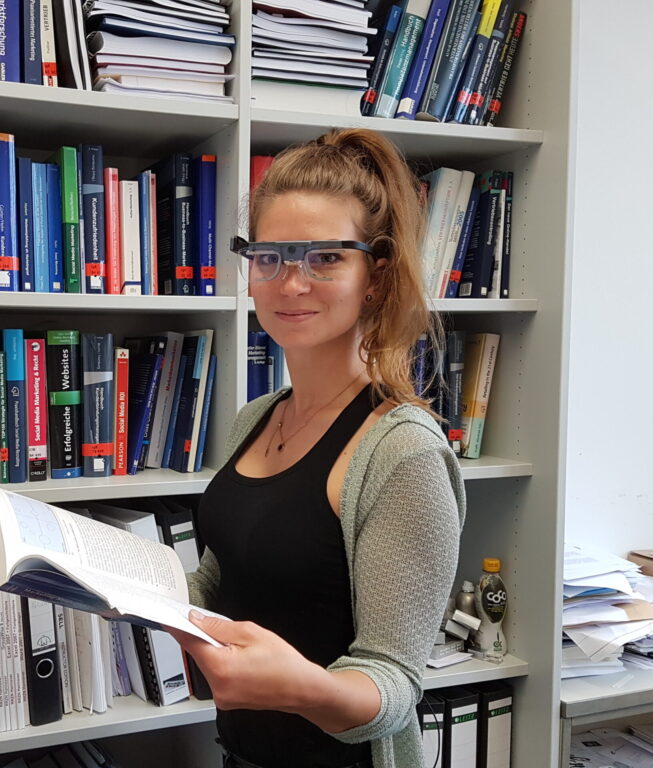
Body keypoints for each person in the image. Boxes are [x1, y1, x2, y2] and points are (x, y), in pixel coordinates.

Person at [169, 128, 466, 768]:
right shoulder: (254, 418)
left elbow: (392, 684)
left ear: (376, 278)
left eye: (325, 257)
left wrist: (304, 686)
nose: (291, 283)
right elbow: (231, 573)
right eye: (269, 256)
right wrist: (130, 592)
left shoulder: (403, 453)